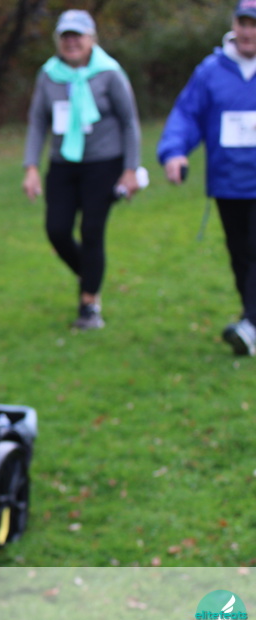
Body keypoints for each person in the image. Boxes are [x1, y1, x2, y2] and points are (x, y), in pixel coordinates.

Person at [22, 9, 143, 330]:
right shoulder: (49, 75)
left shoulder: (109, 73)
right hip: (63, 163)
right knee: (57, 230)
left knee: (91, 230)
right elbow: (37, 122)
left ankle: (89, 304)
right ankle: (89, 273)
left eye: (78, 36)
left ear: (92, 39)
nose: (71, 42)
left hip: (104, 163)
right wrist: (31, 167)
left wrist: (131, 169)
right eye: (66, 36)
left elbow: (129, 121)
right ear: (58, 41)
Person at [157, 0, 256, 356]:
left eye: (254, 24)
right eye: (243, 23)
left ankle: (251, 324)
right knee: (240, 255)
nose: (248, 31)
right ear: (233, 25)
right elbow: (187, 114)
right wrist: (174, 151)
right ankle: (251, 321)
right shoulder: (212, 71)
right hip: (229, 182)